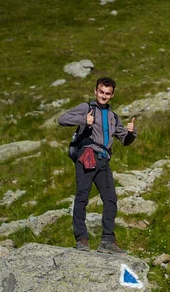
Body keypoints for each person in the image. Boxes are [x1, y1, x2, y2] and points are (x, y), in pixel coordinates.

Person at [58, 77, 137, 254]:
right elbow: (62, 119)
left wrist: (131, 133)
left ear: (112, 95)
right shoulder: (87, 108)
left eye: (108, 93)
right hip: (87, 156)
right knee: (82, 197)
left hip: (103, 160)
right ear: (96, 91)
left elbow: (125, 140)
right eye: (101, 92)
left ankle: (107, 241)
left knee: (110, 199)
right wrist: (83, 120)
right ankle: (82, 239)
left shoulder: (113, 116)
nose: (104, 96)